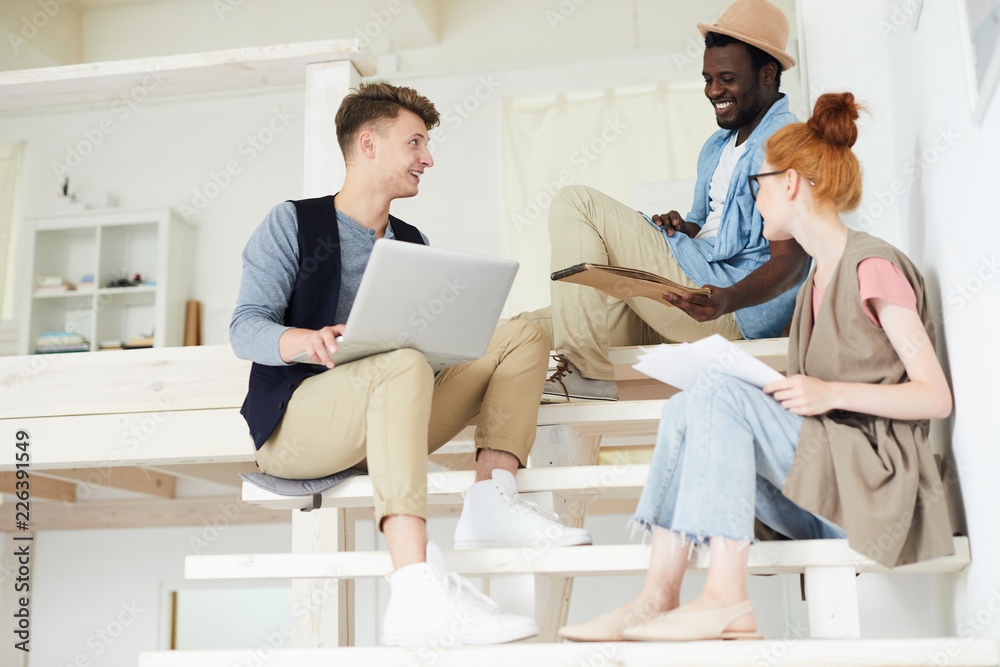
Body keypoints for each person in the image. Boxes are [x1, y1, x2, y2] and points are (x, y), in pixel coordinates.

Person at [559, 92, 955, 642]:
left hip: (875, 488)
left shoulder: (873, 266)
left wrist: (828, 393)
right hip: (824, 484)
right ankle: (657, 598)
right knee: (686, 407)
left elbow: (934, 396)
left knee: (719, 393)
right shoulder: (815, 282)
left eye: (757, 184)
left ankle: (726, 599)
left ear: (789, 183)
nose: (755, 200)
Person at [229, 82, 590, 647]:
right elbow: (244, 327)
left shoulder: (411, 242)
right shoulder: (293, 223)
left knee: (523, 334)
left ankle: (491, 499)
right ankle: (415, 585)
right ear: (368, 144)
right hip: (297, 427)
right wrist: (303, 339)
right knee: (402, 364)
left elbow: (425, 354)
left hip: (389, 414)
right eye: (415, 142)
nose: (428, 158)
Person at [519, 0, 810, 402]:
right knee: (520, 331)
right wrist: (685, 227)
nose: (713, 91)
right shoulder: (718, 145)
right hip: (684, 293)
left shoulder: (786, 143)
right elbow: (710, 225)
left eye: (727, 78)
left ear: (767, 73)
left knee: (576, 202)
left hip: (725, 309)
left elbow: (792, 261)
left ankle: (587, 372)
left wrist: (727, 300)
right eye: (708, 78)